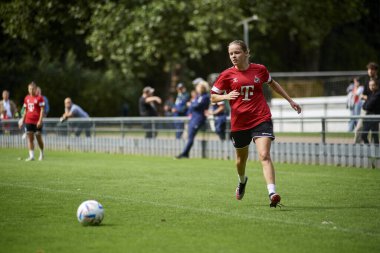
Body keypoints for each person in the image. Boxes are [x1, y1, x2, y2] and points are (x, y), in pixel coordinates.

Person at [210, 40, 301, 208]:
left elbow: (272, 84)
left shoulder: (260, 69)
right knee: (240, 161)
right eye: (231, 54)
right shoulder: (227, 75)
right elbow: (213, 97)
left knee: (264, 155)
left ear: (246, 53)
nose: (233, 56)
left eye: (237, 52)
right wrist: (225, 97)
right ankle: (242, 181)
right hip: (239, 123)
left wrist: (290, 101)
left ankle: (272, 193)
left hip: (261, 118)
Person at [175, 81, 210, 158]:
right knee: (189, 136)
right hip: (193, 118)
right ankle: (185, 153)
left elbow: (196, 105)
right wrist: (192, 104)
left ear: (202, 88)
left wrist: (191, 104)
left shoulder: (205, 97)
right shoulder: (198, 96)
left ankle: (184, 153)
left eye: (198, 87)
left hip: (198, 119)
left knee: (191, 136)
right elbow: (193, 105)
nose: (196, 88)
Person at [18, 82, 45, 161]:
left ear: (36, 89)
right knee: (30, 138)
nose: (31, 90)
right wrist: (22, 120)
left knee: (38, 137)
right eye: (29, 89)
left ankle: (42, 153)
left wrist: (40, 120)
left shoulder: (40, 98)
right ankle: (31, 156)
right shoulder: (26, 98)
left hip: (37, 121)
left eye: (33, 89)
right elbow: (25, 110)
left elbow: (42, 110)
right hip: (28, 121)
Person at [354, 62, 378, 143]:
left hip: (375, 112)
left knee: (374, 133)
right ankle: (356, 149)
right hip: (365, 110)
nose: (370, 71)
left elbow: (377, 97)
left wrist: (369, 98)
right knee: (359, 130)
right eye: (369, 69)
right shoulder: (367, 82)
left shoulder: (378, 82)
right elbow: (362, 95)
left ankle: (374, 152)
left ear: (376, 71)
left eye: (372, 69)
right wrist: (369, 98)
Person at [361, 79, 380, 144]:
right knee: (375, 136)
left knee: (363, 135)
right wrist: (366, 105)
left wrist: (366, 105)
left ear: (377, 86)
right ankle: (376, 152)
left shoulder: (378, 94)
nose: (371, 87)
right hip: (369, 116)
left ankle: (370, 150)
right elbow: (364, 106)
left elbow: (367, 106)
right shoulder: (371, 94)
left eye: (373, 85)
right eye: (370, 85)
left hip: (373, 117)